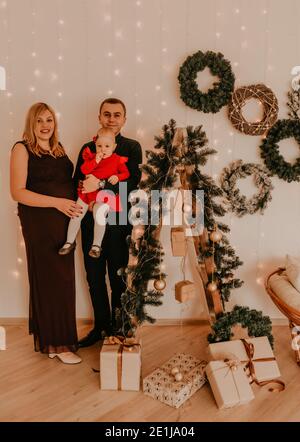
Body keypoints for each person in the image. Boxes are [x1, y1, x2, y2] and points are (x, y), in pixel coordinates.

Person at [10, 102, 82, 364]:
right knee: (50, 279)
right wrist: (58, 203)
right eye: (40, 120)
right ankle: (58, 344)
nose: (45, 126)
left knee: (64, 280)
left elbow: (65, 184)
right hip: (40, 222)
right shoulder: (22, 148)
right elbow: (17, 192)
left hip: (64, 223)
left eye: (49, 120)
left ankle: (54, 340)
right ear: (32, 123)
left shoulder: (59, 150)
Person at [73, 98, 142, 346]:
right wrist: (89, 201)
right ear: (99, 117)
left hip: (119, 224)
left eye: (117, 115)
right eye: (107, 114)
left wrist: (101, 185)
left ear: (124, 119)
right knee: (94, 278)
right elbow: (78, 183)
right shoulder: (87, 148)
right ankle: (99, 328)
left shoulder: (132, 148)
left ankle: (118, 329)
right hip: (92, 223)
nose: (111, 119)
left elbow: (131, 185)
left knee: (117, 278)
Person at [59, 128, 130, 258]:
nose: (103, 149)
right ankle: (69, 241)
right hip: (87, 193)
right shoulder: (92, 157)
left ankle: (96, 245)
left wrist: (117, 177)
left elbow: (126, 173)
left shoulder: (117, 160)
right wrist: (95, 161)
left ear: (114, 147)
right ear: (95, 145)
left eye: (107, 146)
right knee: (76, 214)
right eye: (99, 146)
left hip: (103, 195)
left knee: (99, 216)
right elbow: (84, 170)